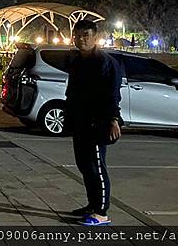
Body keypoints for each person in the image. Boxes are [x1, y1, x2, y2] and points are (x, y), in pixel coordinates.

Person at [65, 19, 122, 226]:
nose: (81, 39)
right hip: (80, 121)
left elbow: (113, 94)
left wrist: (113, 119)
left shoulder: (105, 63)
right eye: (78, 35)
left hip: (99, 122)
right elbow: (72, 91)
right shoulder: (77, 61)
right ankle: (91, 204)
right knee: (84, 165)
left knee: (97, 166)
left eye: (86, 35)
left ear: (95, 37)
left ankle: (101, 212)